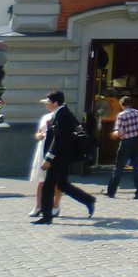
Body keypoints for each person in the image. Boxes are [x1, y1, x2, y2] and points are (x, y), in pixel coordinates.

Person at [33, 90, 96, 224]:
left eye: (48, 102)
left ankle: (47, 216)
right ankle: (87, 200)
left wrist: (49, 159)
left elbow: (59, 140)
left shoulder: (63, 115)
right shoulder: (60, 113)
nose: (46, 105)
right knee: (61, 184)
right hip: (60, 156)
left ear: (56, 103)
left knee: (50, 186)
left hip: (59, 158)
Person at [105, 95, 138, 199]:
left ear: (122, 105)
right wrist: (136, 135)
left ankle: (111, 191)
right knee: (137, 166)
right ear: (130, 104)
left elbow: (119, 132)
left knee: (119, 167)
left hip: (125, 142)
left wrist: (113, 134)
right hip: (136, 141)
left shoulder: (121, 115)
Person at [28, 107, 62, 218]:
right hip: (42, 149)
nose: (46, 104)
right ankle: (38, 206)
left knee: (56, 181)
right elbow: (38, 133)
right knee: (41, 180)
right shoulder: (45, 117)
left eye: (49, 102)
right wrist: (39, 136)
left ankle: (55, 206)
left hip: (55, 151)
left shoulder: (62, 118)